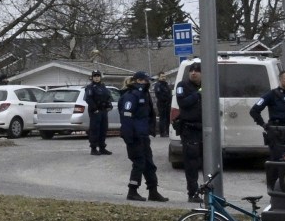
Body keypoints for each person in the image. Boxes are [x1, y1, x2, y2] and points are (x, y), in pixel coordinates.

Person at [119, 69, 168, 203]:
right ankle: (132, 190)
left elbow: (148, 115)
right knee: (139, 163)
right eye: (146, 80)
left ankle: (153, 191)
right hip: (134, 136)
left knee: (149, 164)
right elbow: (126, 116)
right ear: (139, 81)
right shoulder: (131, 95)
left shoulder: (144, 94)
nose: (148, 83)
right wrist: (129, 136)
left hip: (143, 135)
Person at [252, 70, 285, 154]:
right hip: (278, 133)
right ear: (280, 80)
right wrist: (264, 125)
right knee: (279, 160)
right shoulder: (271, 94)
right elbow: (254, 111)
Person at [174, 61, 207, 201]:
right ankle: (192, 193)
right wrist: (198, 94)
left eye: (197, 71)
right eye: (191, 71)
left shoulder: (207, 86)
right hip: (189, 128)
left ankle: (209, 193)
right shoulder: (182, 86)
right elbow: (183, 103)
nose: (193, 73)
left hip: (205, 129)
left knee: (208, 162)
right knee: (192, 163)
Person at [81, 76, 116, 154]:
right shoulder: (90, 87)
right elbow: (88, 99)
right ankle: (93, 148)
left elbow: (108, 97)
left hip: (103, 110)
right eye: (95, 76)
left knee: (103, 129)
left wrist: (109, 105)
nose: (96, 78)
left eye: (98, 76)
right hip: (95, 111)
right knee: (95, 129)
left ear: (100, 77)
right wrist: (94, 109)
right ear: (92, 78)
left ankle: (102, 147)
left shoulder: (103, 86)